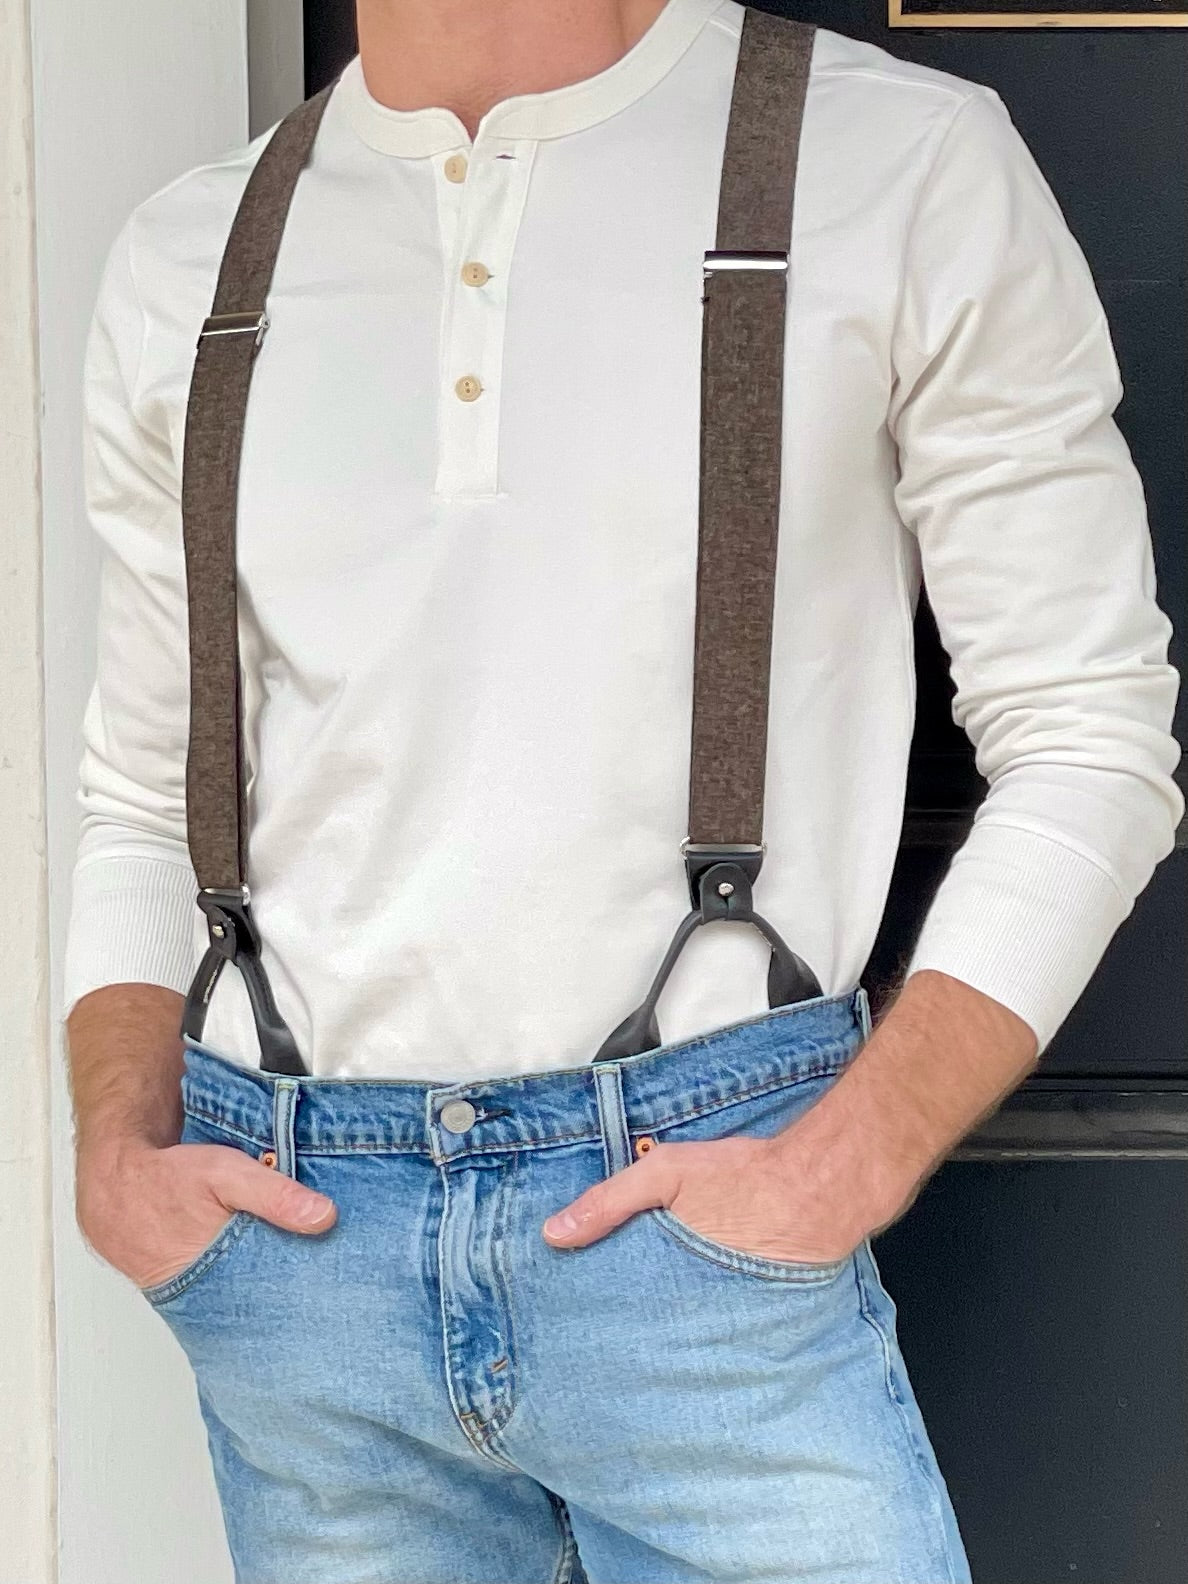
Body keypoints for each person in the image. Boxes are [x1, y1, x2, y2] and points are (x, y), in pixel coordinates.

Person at [62, 0, 1182, 1579]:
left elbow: (1091, 735)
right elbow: (136, 790)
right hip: (300, 1272)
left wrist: (842, 1163)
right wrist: (119, 1150)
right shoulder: (194, 250)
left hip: (711, 1257)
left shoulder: (900, 161)